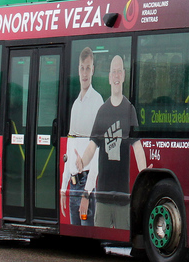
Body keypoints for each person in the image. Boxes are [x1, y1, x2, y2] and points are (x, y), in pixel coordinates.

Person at [77, 55, 148, 230]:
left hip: (123, 196)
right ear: (109, 78)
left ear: (123, 76)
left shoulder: (129, 110)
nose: (116, 76)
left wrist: (145, 173)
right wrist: (82, 162)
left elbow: (138, 147)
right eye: (113, 72)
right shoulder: (102, 111)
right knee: (100, 239)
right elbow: (92, 146)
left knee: (123, 237)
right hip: (102, 195)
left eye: (119, 72)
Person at [60, 47, 103, 226]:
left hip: (86, 186)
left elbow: (97, 152)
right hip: (73, 185)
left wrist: (87, 192)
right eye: (81, 68)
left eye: (88, 68)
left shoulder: (97, 102)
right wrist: (64, 187)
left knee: (87, 237)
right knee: (76, 243)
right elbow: (70, 151)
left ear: (93, 70)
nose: (84, 73)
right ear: (78, 70)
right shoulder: (75, 105)